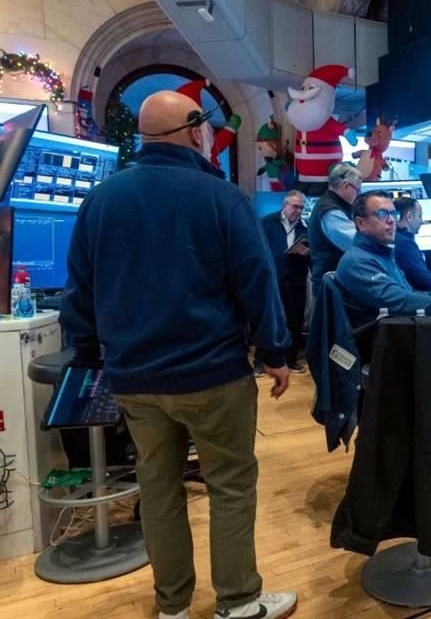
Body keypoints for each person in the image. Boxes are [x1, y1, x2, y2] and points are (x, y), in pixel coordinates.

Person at [59, 90, 297, 619]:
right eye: (208, 126)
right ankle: (237, 602)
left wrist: (94, 354)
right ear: (194, 130)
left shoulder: (100, 200)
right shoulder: (221, 197)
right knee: (231, 486)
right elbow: (258, 284)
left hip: (134, 381)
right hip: (213, 374)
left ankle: (172, 608)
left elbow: (79, 293)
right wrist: (276, 352)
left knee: (158, 489)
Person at [336, 192, 431, 325]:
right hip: (379, 343)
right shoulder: (357, 262)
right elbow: (401, 301)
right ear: (361, 223)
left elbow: (408, 293)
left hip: (397, 334)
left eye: (393, 214)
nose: (391, 220)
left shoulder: (382, 255)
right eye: (382, 214)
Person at [255, 190, 310, 377]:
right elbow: (257, 247)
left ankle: (291, 360)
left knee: (294, 322)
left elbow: (314, 255)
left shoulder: (306, 228)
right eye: (295, 206)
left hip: (296, 281)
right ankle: (260, 361)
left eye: (302, 207)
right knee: (269, 320)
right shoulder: (267, 222)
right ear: (285, 205)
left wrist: (307, 253)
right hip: (273, 280)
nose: (298, 211)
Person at [308, 163, 362, 297]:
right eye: (358, 190)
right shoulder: (331, 212)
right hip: (330, 289)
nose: (359, 195)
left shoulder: (332, 205)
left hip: (334, 285)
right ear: (346, 186)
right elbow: (357, 245)